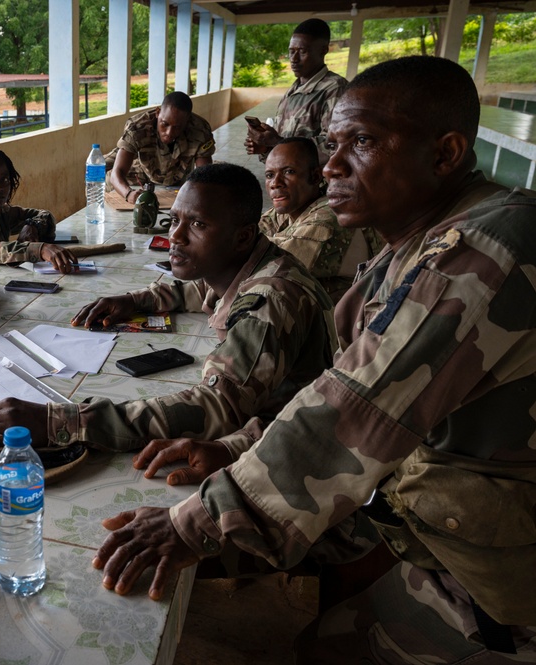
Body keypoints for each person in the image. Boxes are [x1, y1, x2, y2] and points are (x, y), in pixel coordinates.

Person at [93, 56, 536, 662]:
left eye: (363, 142)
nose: (331, 166)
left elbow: (352, 413)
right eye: (333, 143)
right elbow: (343, 382)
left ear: (445, 153)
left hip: (498, 579)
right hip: (444, 530)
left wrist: (191, 524)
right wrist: (237, 447)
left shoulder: (485, 250)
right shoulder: (410, 248)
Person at [0, 164, 336, 465]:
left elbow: (218, 407)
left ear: (242, 237)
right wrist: (137, 300)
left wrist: (65, 422)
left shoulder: (269, 301)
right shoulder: (247, 263)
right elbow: (202, 289)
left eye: (198, 225)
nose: (176, 236)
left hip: (292, 449)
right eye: (174, 220)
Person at [260, 137, 383, 302]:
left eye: (289, 172)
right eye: (269, 175)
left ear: (315, 176)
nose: (275, 183)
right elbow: (250, 236)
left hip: (357, 310)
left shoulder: (330, 216)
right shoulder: (291, 207)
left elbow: (261, 265)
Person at [245, 19, 347, 165]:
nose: (294, 59)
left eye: (302, 51)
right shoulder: (293, 90)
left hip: (315, 178)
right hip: (289, 175)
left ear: (323, 50)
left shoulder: (336, 89)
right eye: (291, 51)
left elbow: (335, 146)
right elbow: (283, 140)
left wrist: (277, 142)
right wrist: (265, 147)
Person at [107, 91, 216, 205]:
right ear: (158, 113)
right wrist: (128, 194)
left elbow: (204, 176)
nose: (169, 132)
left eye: (177, 127)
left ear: (188, 120)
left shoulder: (200, 131)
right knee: (101, 167)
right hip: (139, 164)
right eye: (164, 124)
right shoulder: (137, 127)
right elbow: (117, 173)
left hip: (174, 172)